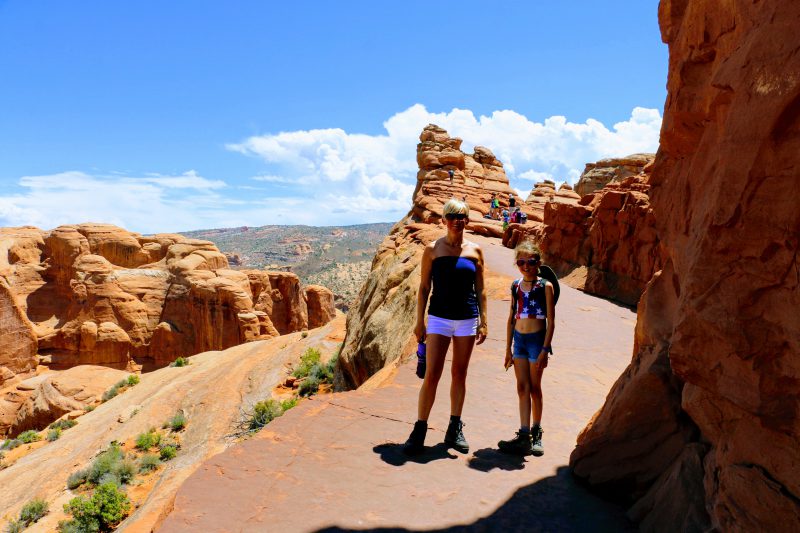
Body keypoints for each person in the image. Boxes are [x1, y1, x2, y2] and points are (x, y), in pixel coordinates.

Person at [404, 199, 488, 455]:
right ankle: (419, 429)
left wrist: (484, 321)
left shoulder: (475, 251)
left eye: (461, 216)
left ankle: (454, 428)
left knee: (459, 375)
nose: (457, 220)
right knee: (432, 375)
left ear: (467, 220)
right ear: (444, 220)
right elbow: (423, 288)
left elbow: (481, 289)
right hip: (439, 318)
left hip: (466, 319)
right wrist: (420, 321)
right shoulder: (432, 250)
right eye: (451, 216)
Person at [499, 241, 555, 456]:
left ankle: (536, 431)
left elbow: (551, 320)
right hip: (519, 341)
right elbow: (511, 318)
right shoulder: (515, 285)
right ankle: (524, 435)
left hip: (536, 341)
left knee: (534, 388)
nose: (526, 266)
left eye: (530, 262)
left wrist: (545, 349)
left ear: (538, 263)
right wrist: (507, 349)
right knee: (522, 387)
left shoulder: (545, 286)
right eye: (521, 262)